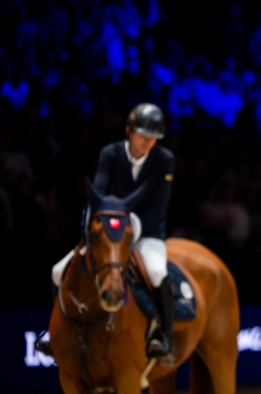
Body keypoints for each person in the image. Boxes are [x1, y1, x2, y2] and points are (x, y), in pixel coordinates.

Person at [38, 103, 176, 364]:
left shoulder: (164, 159)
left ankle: (165, 337)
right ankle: (55, 333)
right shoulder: (110, 153)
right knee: (57, 271)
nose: (147, 143)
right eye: (143, 136)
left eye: (153, 138)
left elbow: (159, 208)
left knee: (157, 271)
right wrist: (94, 228)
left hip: (146, 231)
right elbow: (98, 193)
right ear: (129, 131)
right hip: (110, 230)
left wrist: (129, 230)